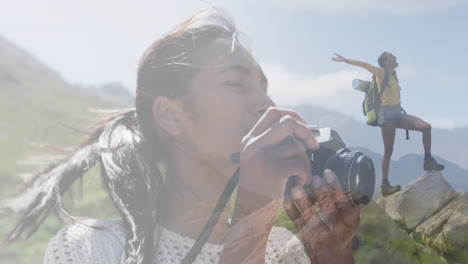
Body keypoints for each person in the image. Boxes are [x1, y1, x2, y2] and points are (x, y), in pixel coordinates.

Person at [2, 10, 361, 264]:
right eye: (236, 84)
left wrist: (335, 258)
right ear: (171, 115)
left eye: (266, 90)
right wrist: (253, 214)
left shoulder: (289, 253)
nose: (267, 105)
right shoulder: (91, 250)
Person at [331, 52, 444, 196]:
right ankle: (385, 185)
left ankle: (428, 160)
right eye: (391, 55)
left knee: (426, 127)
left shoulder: (394, 74)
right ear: (385, 61)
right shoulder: (380, 72)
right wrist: (346, 60)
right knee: (388, 150)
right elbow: (365, 65)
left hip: (398, 113)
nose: (395, 56)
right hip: (386, 115)